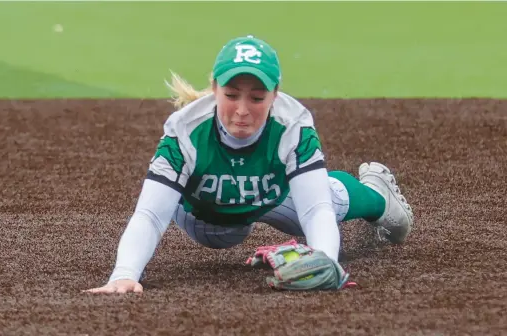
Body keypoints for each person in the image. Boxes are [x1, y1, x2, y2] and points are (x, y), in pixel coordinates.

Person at [84, 35, 413, 294]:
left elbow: (315, 210)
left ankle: (378, 197)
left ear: (275, 94)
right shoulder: (185, 129)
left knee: (328, 200)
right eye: (231, 94)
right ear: (214, 88)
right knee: (220, 235)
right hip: (204, 217)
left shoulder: (293, 123)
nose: (242, 110)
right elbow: (151, 214)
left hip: (268, 196)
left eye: (257, 98)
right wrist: (124, 274)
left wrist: (323, 261)